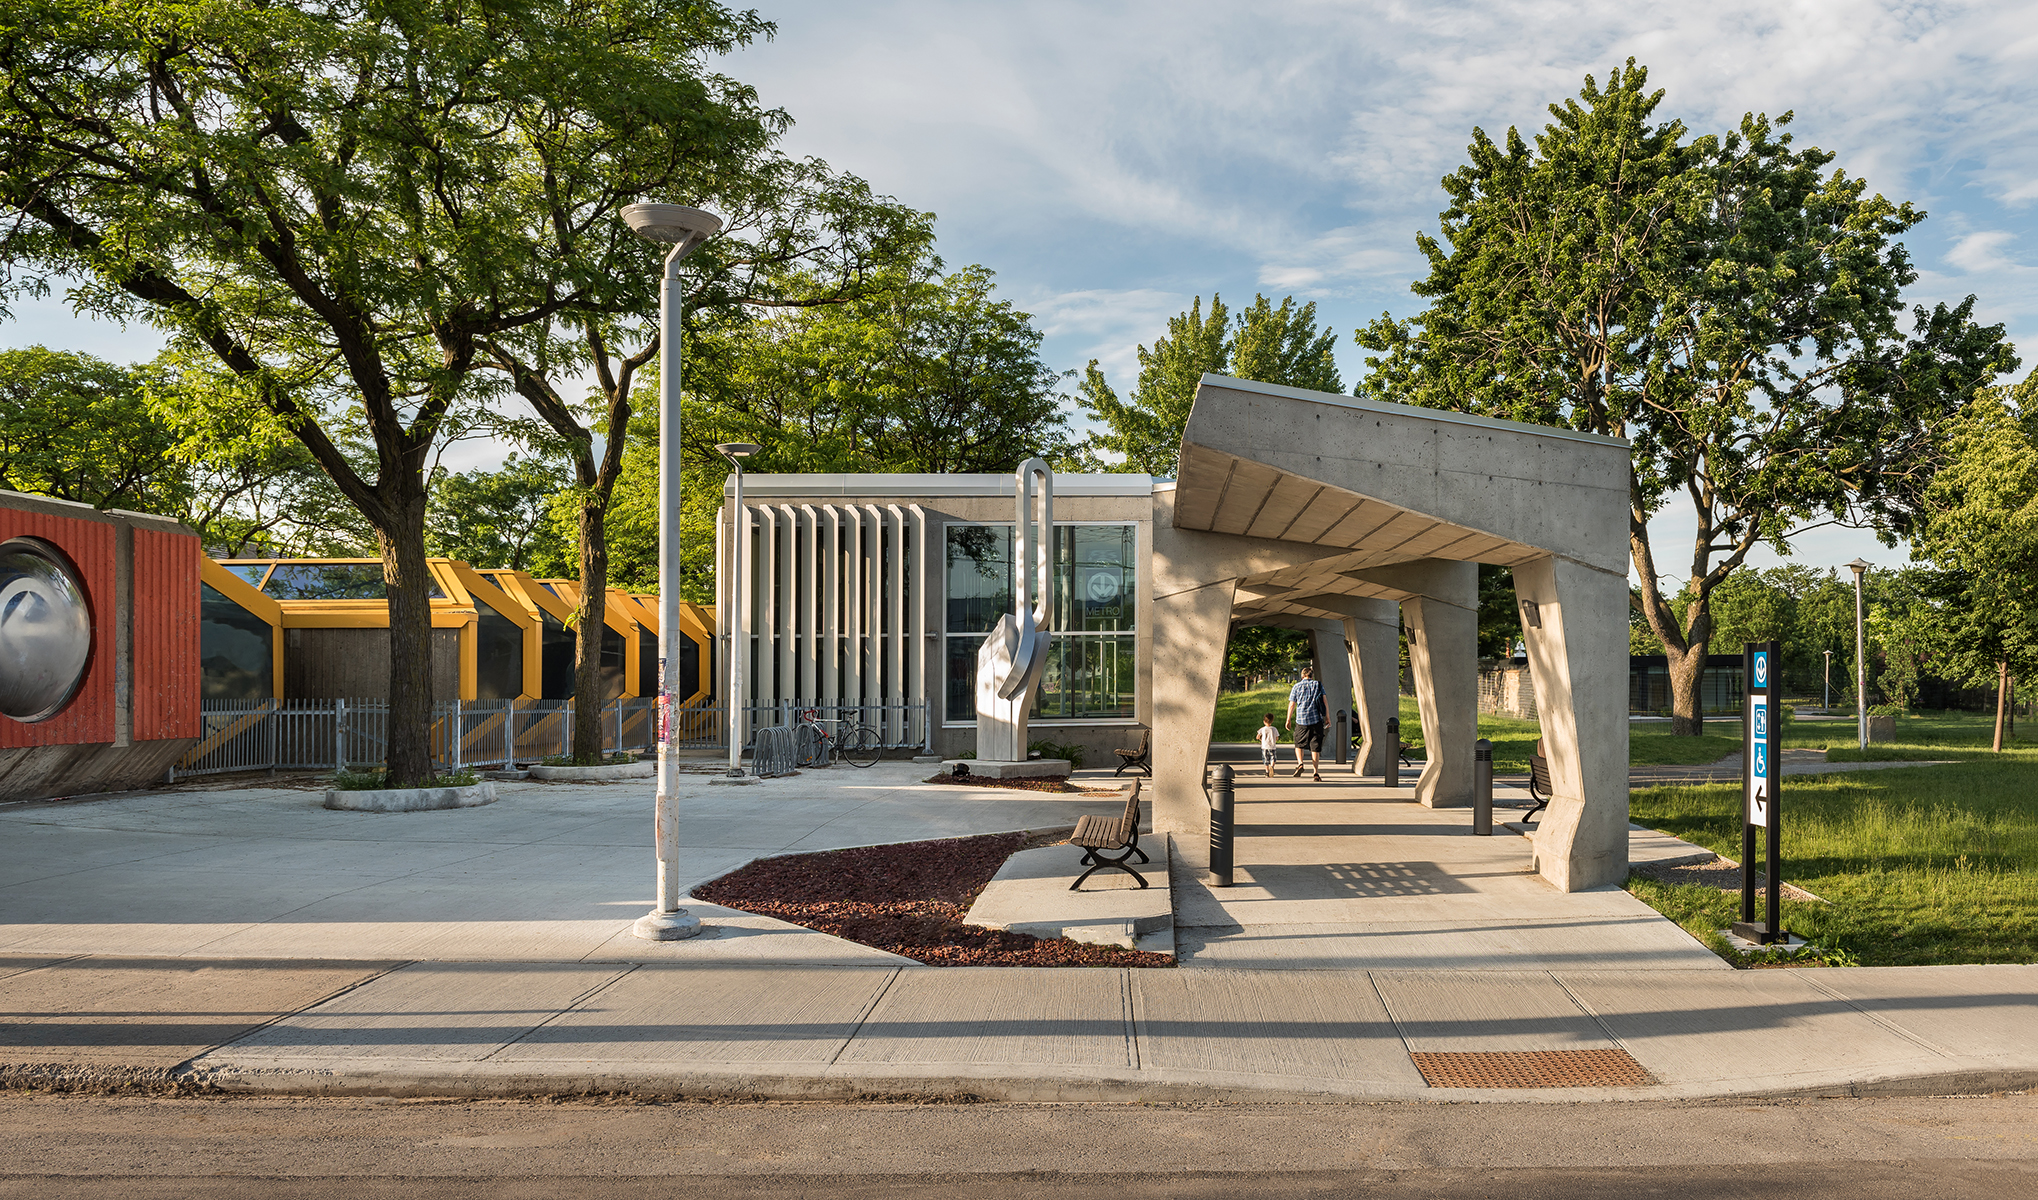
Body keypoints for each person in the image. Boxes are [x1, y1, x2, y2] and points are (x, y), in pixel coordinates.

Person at [1285, 665, 1326, 781]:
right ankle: (1316, 773)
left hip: (1301, 720)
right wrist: (1327, 717)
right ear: (1312, 676)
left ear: (1302, 675)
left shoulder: (1296, 687)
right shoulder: (1318, 685)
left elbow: (1292, 704)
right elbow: (1324, 701)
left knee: (1298, 743)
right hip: (1316, 720)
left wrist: (1288, 719)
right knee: (1315, 747)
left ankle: (1300, 763)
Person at [1255, 712, 1281, 778]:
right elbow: (1277, 738)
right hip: (1272, 746)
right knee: (1273, 758)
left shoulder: (1262, 729)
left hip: (1264, 746)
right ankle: (1272, 766)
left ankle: (1267, 771)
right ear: (1272, 721)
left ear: (1264, 721)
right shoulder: (1274, 729)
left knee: (1265, 759)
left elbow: (1257, 737)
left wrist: (1260, 738)